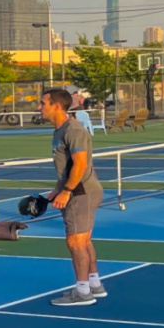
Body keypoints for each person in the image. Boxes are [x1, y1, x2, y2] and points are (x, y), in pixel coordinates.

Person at [40, 88, 105, 307]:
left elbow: (80, 164)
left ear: (56, 106)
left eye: (43, 103)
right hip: (75, 189)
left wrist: (67, 191)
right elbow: (66, 166)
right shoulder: (59, 131)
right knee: (83, 241)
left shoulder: (73, 130)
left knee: (75, 242)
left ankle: (82, 292)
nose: (40, 107)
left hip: (80, 192)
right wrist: (58, 187)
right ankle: (94, 284)